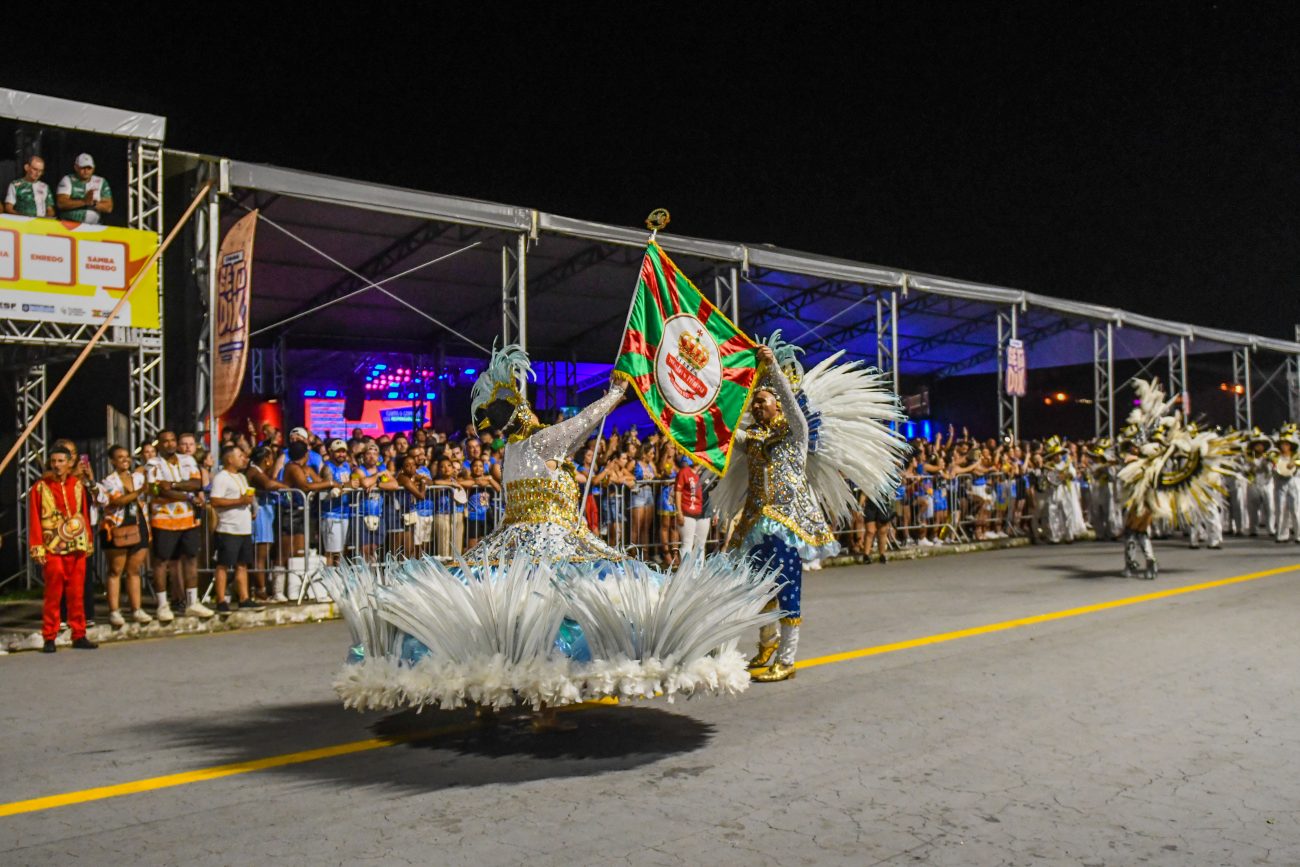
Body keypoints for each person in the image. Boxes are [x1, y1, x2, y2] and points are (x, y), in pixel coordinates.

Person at [711, 334, 906, 684]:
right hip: (756, 525)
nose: (757, 406)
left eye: (764, 400)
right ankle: (766, 647)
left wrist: (772, 371)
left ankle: (786, 659)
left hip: (787, 527)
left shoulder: (796, 434)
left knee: (786, 590)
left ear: (779, 404)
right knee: (757, 589)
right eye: (754, 401)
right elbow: (723, 433)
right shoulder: (754, 440)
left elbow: (794, 408)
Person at [30, 445, 97, 652]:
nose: (57, 465)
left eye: (61, 461)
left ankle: (79, 634)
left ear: (69, 463)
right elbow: (34, 518)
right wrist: (37, 546)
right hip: (52, 546)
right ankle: (49, 636)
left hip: (76, 545)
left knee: (77, 592)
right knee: (53, 593)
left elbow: (84, 514)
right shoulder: (40, 487)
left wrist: (88, 541)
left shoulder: (77, 485)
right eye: (54, 461)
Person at [147, 431, 212, 620]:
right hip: (164, 519)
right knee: (161, 561)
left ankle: (193, 602)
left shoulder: (188, 460)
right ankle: (162, 605)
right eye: (165, 441)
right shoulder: (153, 464)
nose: (169, 444)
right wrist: (187, 494)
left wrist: (174, 484)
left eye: (172, 440)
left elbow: (196, 482)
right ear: (159, 444)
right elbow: (158, 490)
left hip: (188, 518)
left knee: (191, 558)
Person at [96, 445, 153, 627]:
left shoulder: (138, 478)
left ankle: (136, 609)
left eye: (127, 457)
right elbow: (117, 500)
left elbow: (150, 490)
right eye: (120, 457)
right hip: (117, 525)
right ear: (112, 461)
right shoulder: (108, 481)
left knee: (134, 570)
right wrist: (140, 491)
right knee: (115, 570)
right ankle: (114, 611)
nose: (125, 460)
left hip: (139, 524)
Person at [208, 446, 264, 613]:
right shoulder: (221, 478)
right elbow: (215, 501)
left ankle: (244, 598)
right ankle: (220, 600)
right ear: (229, 459)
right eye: (240, 456)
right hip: (228, 528)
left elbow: (246, 497)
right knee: (223, 565)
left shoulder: (241, 477)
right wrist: (240, 501)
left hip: (244, 528)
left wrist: (251, 507)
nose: (244, 459)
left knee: (242, 564)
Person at [319, 439, 356, 565]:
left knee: (341, 551)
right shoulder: (328, 468)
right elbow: (331, 490)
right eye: (338, 452)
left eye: (343, 452)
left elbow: (352, 483)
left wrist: (349, 485)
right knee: (331, 551)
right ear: (331, 452)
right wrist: (348, 485)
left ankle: (339, 579)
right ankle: (329, 580)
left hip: (345, 513)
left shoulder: (347, 466)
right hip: (331, 515)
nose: (341, 454)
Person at [55, 153, 113, 224]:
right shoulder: (67, 179)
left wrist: (93, 203)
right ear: (76, 167)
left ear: (93, 168)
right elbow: (61, 203)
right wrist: (84, 202)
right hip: (69, 224)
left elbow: (109, 207)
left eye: (89, 168)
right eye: (83, 168)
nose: (86, 171)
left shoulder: (101, 181)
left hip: (94, 226)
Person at [674, 455, 709, 558]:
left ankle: (698, 572)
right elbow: (678, 492)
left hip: (703, 513)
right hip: (687, 512)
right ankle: (686, 572)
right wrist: (679, 512)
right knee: (687, 543)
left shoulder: (706, 473)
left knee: (700, 546)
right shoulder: (684, 472)